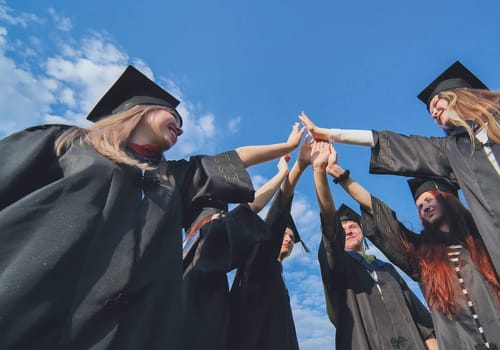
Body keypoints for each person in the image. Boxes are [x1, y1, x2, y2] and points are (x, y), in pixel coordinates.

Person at [299, 60, 500, 349]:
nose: (434, 112)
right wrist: (335, 150)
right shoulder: (428, 248)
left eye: (437, 103)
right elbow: (401, 165)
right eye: (419, 203)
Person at [0, 65, 304, 350]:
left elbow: (232, 160)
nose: (181, 130)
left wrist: (286, 148)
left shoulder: (171, 177)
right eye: (173, 116)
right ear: (139, 111)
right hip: (27, 308)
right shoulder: (63, 143)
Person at [323, 145, 500, 349]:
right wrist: (340, 175)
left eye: (429, 200)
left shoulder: (486, 240)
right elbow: (383, 217)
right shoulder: (423, 256)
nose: (424, 207)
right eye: (420, 206)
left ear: (448, 199)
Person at [310, 141, 438, 350]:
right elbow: (329, 222)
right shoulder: (338, 268)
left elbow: (422, 322)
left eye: (353, 226)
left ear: (363, 232)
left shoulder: (387, 269)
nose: (349, 230)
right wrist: (319, 172)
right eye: (343, 230)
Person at [226, 146, 311, 350]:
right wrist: (296, 169)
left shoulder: (277, 274)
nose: (289, 239)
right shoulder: (259, 261)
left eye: (292, 237)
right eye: (285, 234)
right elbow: (276, 220)